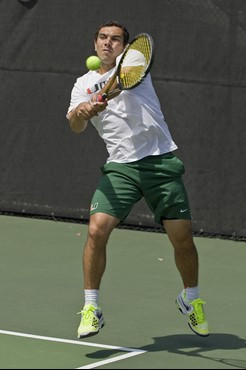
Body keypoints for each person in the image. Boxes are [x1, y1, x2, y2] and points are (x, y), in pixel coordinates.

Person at [66, 20, 209, 339]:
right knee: (96, 229)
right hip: (120, 168)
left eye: (115, 39)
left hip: (160, 162)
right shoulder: (81, 84)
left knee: (182, 238)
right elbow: (74, 124)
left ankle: (191, 298)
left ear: (125, 46)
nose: (108, 43)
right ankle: (92, 307)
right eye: (102, 38)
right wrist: (83, 112)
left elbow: (119, 84)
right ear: (94, 44)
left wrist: (101, 94)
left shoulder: (132, 63)